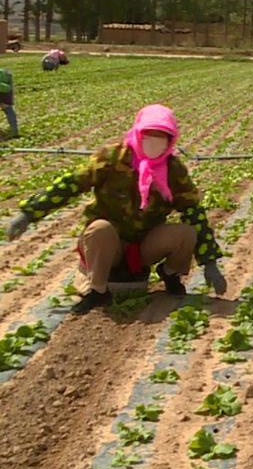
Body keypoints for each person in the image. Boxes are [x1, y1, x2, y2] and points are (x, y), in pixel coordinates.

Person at [4, 104, 226, 313]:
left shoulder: (173, 170)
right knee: (100, 229)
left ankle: (170, 274)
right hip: (110, 243)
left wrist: (209, 262)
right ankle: (98, 290)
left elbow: (193, 212)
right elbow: (71, 183)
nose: (153, 143)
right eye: (148, 136)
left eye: (161, 138)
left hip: (144, 244)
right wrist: (29, 213)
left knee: (186, 233)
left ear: (170, 140)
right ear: (138, 133)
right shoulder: (111, 158)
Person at [0, 66, 16, 139]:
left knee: (7, 108)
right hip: (6, 87)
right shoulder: (5, 73)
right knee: (8, 108)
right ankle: (14, 130)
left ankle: (13, 131)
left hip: (4, 86)